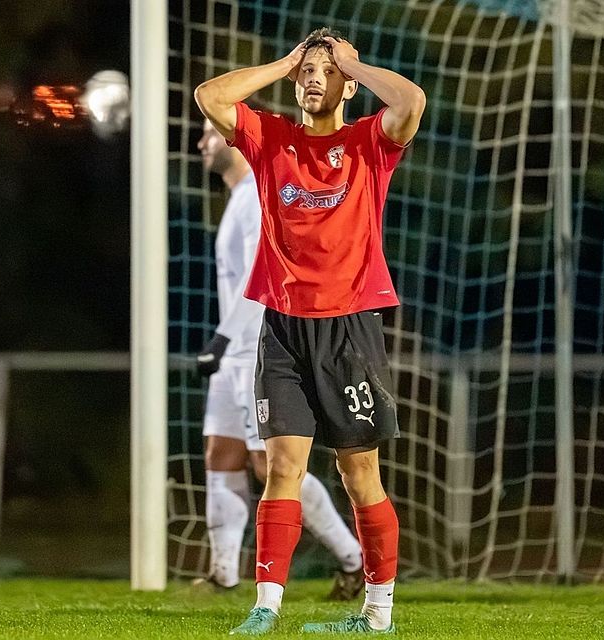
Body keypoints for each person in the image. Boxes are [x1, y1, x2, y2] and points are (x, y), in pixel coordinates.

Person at [195, 26, 426, 635]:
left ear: (348, 84)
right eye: (308, 72)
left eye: (326, 71)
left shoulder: (367, 143)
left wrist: (352, 62)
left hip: (349, 329)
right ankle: (266, 609)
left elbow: (410, 104)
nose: (313, 78)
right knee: (280, 468)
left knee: (360, 474)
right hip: (283, 332)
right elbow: (211, 97)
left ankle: (377, 616)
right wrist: (289, 62)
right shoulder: (272, 139)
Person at [194, 114, 366, 601]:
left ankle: (353, 560)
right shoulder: (237, 197)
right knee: (220, 454)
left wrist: (224, 342)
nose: (201, 141)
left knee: (269, 466)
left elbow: (261, 279)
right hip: (233, 351)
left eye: (209, 133)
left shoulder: (257, 197)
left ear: (232, 140)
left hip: (253, 349)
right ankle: (223, 573)